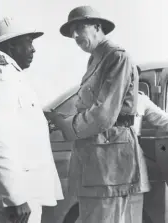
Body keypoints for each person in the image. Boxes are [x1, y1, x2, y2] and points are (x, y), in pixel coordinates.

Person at [45, 6, 149, 223]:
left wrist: (65, 124)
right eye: (71, 31)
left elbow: (103, 115)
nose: (74, 36)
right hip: (97, 161)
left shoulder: (116, 57)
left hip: (110, 163)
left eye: (79, 28)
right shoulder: (96, 58)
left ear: (97, 27)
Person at [0, 17, 63, 223]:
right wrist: (15, 197)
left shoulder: (4, 73)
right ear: (11, 44)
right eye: (29, 42)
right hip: (9, 202)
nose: (33, 49)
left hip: (7, 197)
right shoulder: (0, 73)